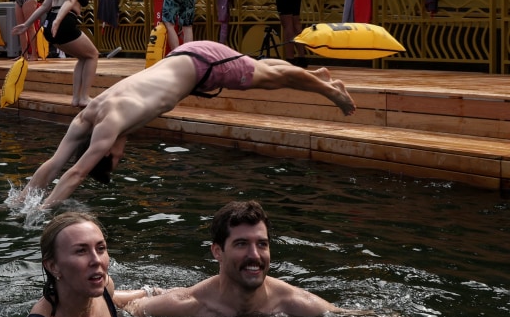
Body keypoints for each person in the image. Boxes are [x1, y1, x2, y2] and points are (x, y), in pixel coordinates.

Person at [19, 40, 355, 209]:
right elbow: (55, 163)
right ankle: (317, 78)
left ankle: (329, 91)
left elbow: (74, 173)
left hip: (201, 64)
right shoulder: (86, 117)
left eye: (117, 159)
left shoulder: (109, 127)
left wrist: (41, 214)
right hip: (184, 59)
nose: (122, 154)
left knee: (268, 76)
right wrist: (20, 199)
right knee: (263, 73)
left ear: (106, 151)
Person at [123, 201, 340, 317]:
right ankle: (153, 290)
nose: (254, 255)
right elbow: (129, 309)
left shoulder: (295, 302)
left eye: (262, 244)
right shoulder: (187, 304)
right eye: (241, 244)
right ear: (217, 251)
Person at [16, 212, 127, 317]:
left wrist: (149, 292)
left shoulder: (106, 288)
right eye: (81, 251)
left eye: (101, 248)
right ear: (53, 266)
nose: (96, 260)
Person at [14, 0, 102, 107]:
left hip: (50, 25)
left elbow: (46, 8)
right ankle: (84, 97)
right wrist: (58, 21)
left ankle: (77, 98)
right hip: (62, 23)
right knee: (93, 55)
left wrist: (26, 25)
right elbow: (70, 1)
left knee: (84, 57)